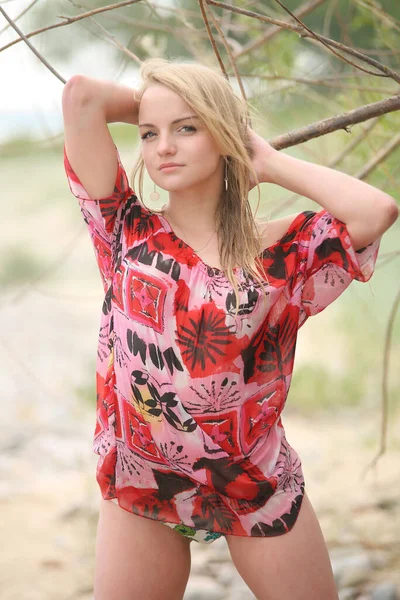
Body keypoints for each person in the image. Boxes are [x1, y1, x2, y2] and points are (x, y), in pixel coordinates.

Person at [62, 58, 398, 600]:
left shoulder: (279, 253)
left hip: (252, 483)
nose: (163, 146)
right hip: (143, 479)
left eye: (187, 129)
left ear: (223, 136)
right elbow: (80, 95)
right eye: (150, 133)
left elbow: (377, 210)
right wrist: (168, 99)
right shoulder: (124, 230)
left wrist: (263, 159)